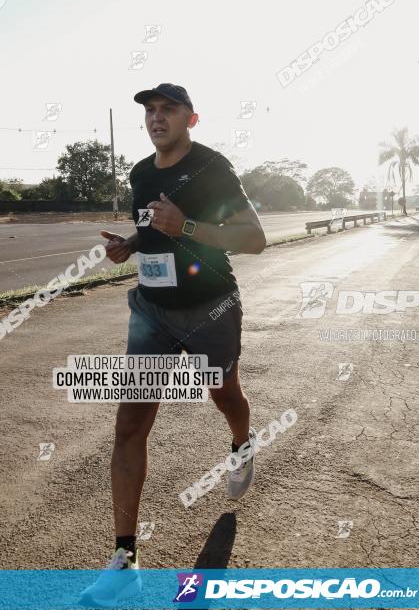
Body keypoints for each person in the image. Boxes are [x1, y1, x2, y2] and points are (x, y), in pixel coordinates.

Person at [80, 83, 266, 606]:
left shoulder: (213, 169)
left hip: (210, 305)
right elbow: (152, 230)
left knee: (223, 392)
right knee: (130, 424)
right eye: (150, 111)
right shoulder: (140, 173)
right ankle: (124, 562)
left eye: (168, 110)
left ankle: (241, 444)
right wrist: (131, 245)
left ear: (192, 118)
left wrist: (188, 225)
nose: (156, 118)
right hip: (152, 311)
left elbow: (253, 238)